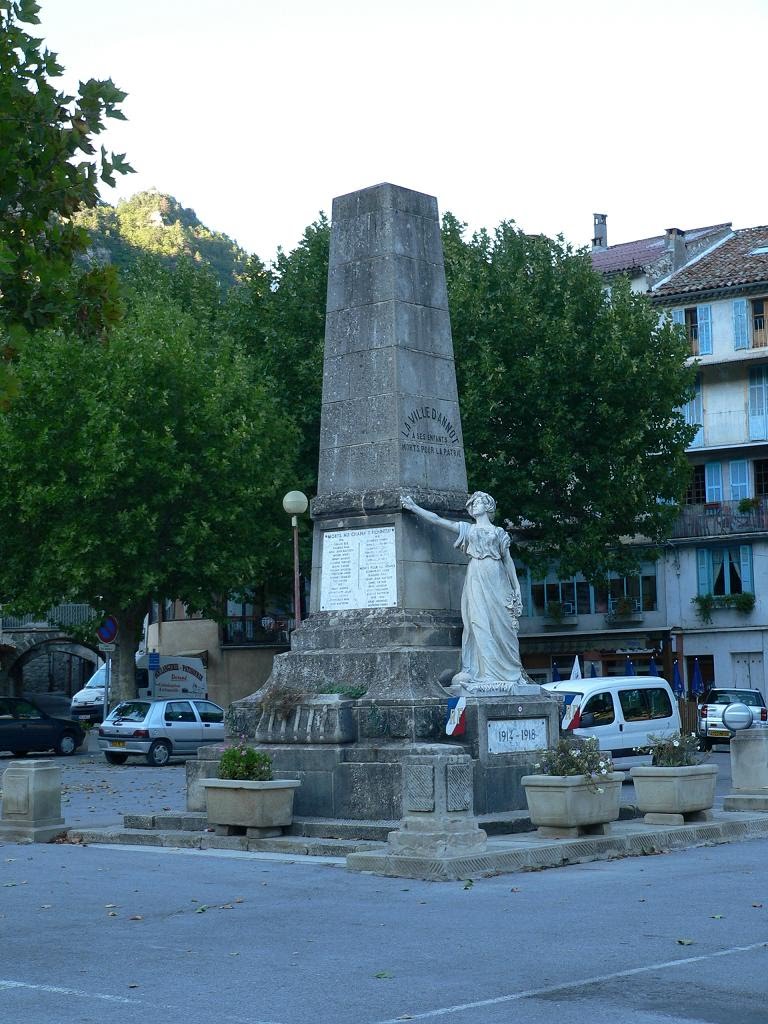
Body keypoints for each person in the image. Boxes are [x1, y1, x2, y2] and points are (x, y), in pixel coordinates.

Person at [401, 491, 527, 692]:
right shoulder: (469, 529)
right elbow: (438, 521)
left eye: (477, 503)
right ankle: (486, 673)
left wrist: (517, 588)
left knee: (503, 626)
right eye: (473, 503)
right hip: (476, 576)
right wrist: (414, 507)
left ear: (488, 506)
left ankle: (507, 671)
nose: (473, 506)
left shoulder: (499, 532)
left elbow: (508, 561)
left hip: (497, 577)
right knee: (478, 622)